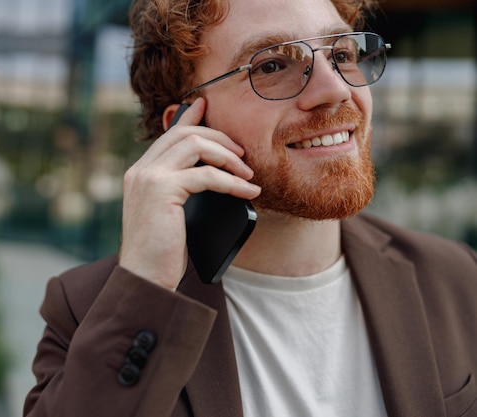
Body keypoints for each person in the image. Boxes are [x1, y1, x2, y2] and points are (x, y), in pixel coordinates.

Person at [24, 0, 477, 415]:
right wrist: (146, 286)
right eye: (273, 64)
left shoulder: (456, 279)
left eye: (340, 55)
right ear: (187, 128)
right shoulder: (91, 313)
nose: (334, 90)